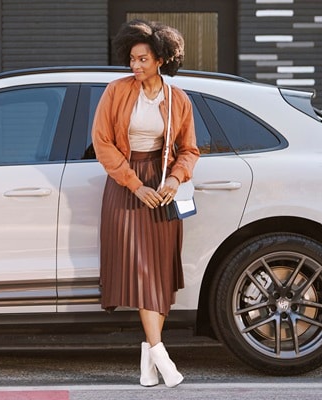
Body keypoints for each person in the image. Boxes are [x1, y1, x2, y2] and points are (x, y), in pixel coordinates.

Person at [91, 19, 198, 388]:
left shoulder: (178, 98)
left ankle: (148, 359)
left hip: (163, 185)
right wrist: (136, 186)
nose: (134, 66)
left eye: (142, 59)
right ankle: (160, 353)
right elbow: (102, 143)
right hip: (126, 185)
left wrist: (173, 179)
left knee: (159, 273)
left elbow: (189, 150)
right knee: (141, 270)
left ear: (162, 60)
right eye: (132, 59)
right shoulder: (116, 91)